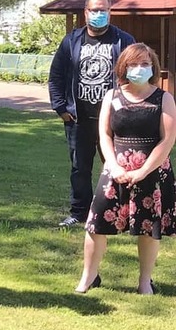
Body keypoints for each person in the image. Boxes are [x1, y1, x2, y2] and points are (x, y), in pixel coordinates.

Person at [75, 43, 176, 295]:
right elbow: (104, 135)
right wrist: (113, 165)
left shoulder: (164, 98)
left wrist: (142, 172)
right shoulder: (112, 96)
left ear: (153, 67)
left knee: (149, 227)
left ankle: (145, 281)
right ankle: (89, 277)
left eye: (144, 64)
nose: (139, 69)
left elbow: (167, 140)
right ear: (123, 67)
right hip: (115, 169)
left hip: (152, 171)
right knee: (96, 223)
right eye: (133, 64)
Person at [49, 0, 135, 228]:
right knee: (80, 168)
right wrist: (60, 107)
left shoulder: (123, 40)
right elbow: (56, 75)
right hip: (79, 119)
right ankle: (79, 212)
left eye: (103, 10)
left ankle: (120, 213)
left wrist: (130, 110)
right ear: (85, 12)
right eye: (94, 10)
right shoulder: (71, 41)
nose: (98, 14)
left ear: (110, 11)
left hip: (114, 120)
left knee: (118, 166)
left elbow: (135, 77)